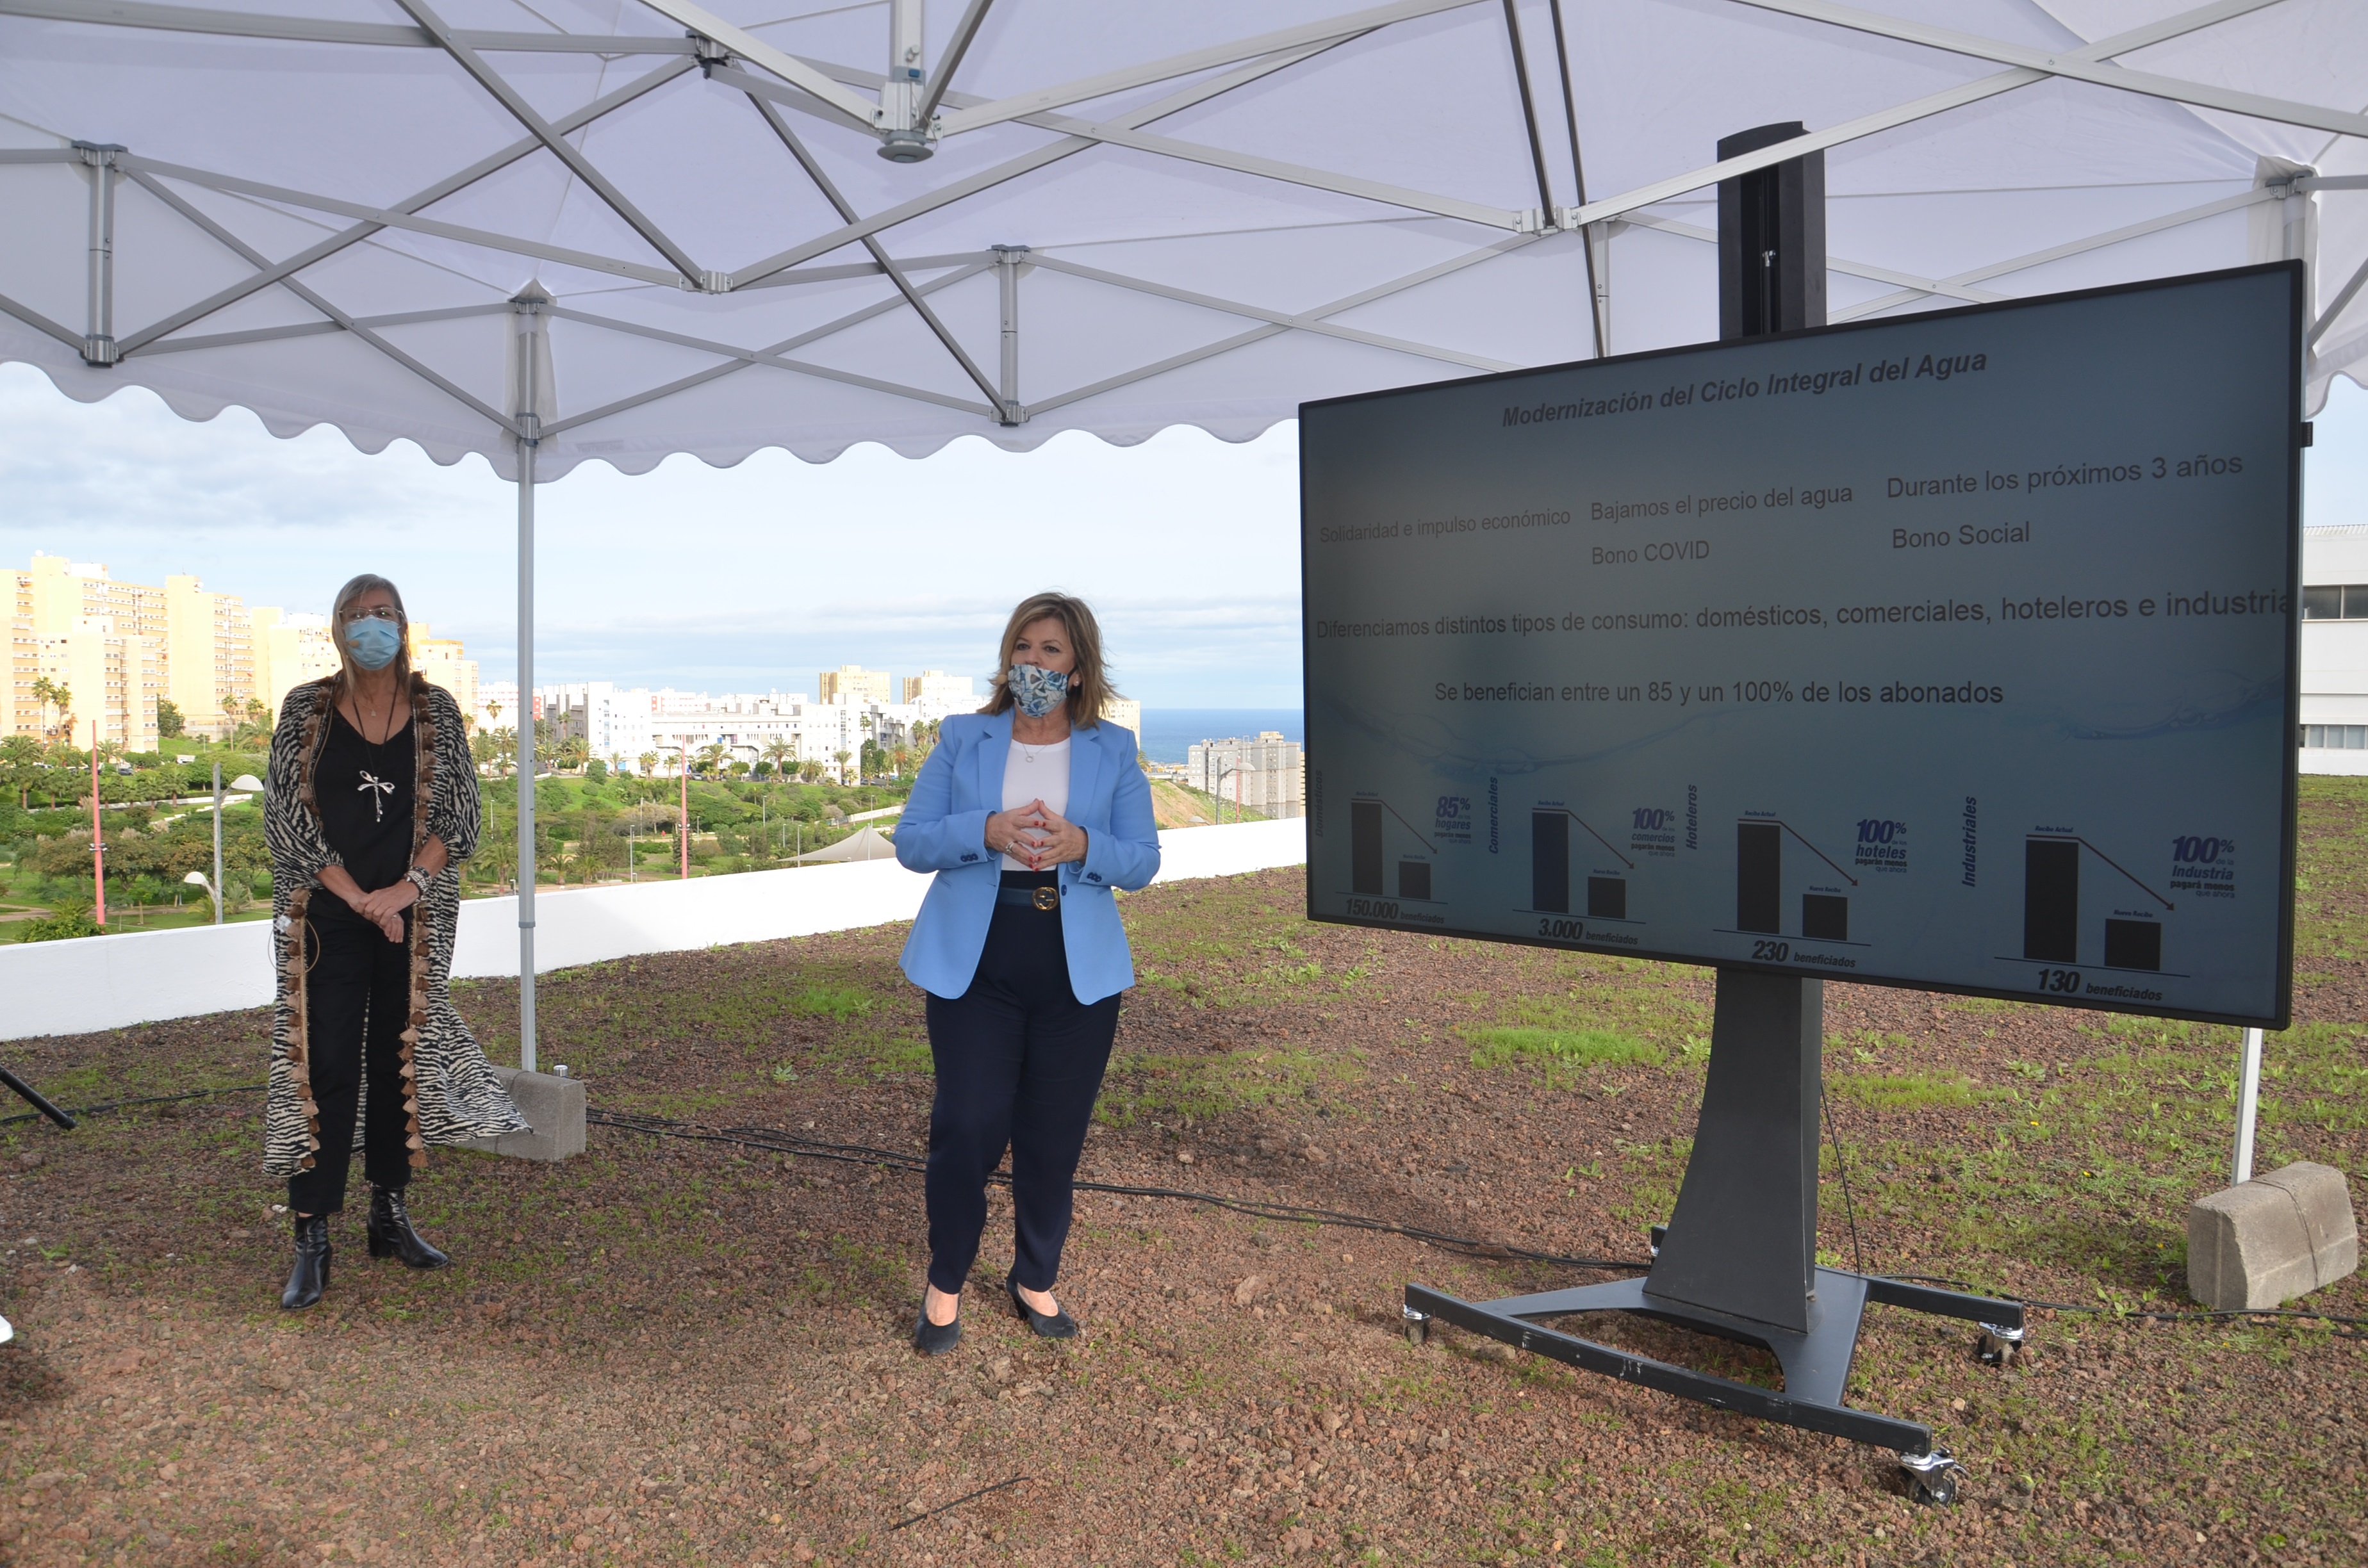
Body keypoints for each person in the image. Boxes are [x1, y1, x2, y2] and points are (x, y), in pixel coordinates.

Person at [893, 592, 1160, 1352]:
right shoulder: (962, 739)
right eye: (1023, 647)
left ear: (1078, 670)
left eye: (1051, 652)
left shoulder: (1113, 750)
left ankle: (1033, 1276)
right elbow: (913, 841)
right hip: (975, 960)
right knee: (968, 1123)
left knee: (1054, 1136)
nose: (1033, 663)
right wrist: (986, 830)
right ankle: (946, 1281)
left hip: (1076, 969)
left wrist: (1084, 844)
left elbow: (1142, 862)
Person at [262, 574, 525, 1310]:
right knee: (323, 1062)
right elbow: (284, 819)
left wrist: (404, 891)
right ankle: (311, 1234)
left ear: (404, 624)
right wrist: (358, 898)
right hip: (325, 913)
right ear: (336, 628)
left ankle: (389, 1213)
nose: (370, 626)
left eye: (383, 614)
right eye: (356, 615)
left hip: (415, 916)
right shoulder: (305, 709)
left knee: (399, 1059)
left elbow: (462, 817)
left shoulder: (435, 708)